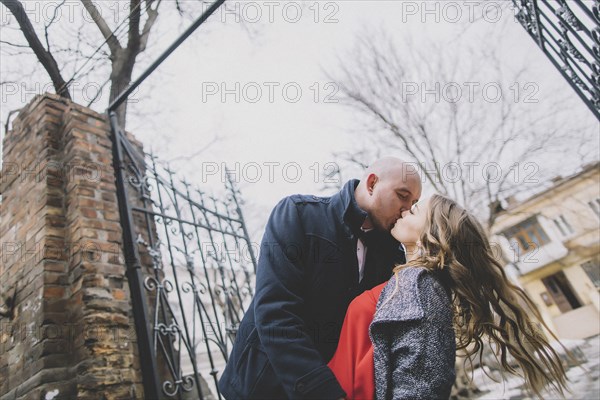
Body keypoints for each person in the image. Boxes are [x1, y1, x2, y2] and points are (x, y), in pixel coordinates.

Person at [327, 194, 569, 399]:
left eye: (414, 210)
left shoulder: (421, 285)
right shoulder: (410, 279)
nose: (403, 212)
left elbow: (418, 387)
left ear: (433, 231)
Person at [218, 157, 422, 399]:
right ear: (371, 184)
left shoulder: (393, 254)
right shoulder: (298, 215)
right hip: (262, 387)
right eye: (402, 195)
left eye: (414, 203)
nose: (407, 209)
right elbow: (276, 313)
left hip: (338, 385)